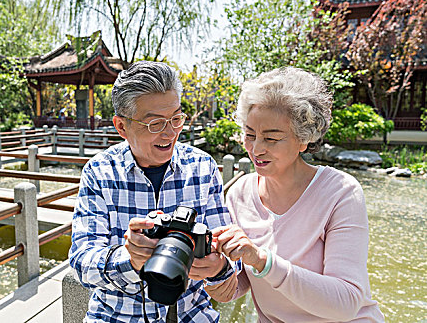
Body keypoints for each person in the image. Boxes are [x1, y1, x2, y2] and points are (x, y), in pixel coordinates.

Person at [205, 67, 385, 322]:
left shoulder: (341, 192)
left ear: (304, 139)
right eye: (249, 135)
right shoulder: (239, 193)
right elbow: (237, 286)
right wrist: (214, 273)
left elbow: (345, 303)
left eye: (271, 138)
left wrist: (262, 260)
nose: (256, 149)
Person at [69, 61, 235, 322]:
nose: (170, 132)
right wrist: (129, 257)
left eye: (177, 118)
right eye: (155, 124)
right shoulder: (100, 172)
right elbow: (82, 261)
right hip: (115, 316)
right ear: (121, 126)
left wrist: (219, 267)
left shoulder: (204, 167)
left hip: (191, 314)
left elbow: (227, 254)